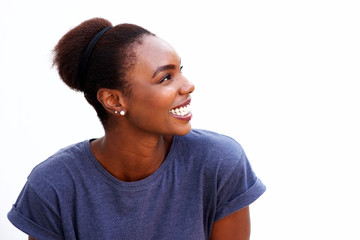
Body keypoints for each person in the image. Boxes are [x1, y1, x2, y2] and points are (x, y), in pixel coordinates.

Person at [8, 17, 266, 240]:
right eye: (165, 77)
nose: (188, 86)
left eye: (180, 70)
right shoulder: (53, 187)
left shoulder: (219, 163)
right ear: (114, 100)